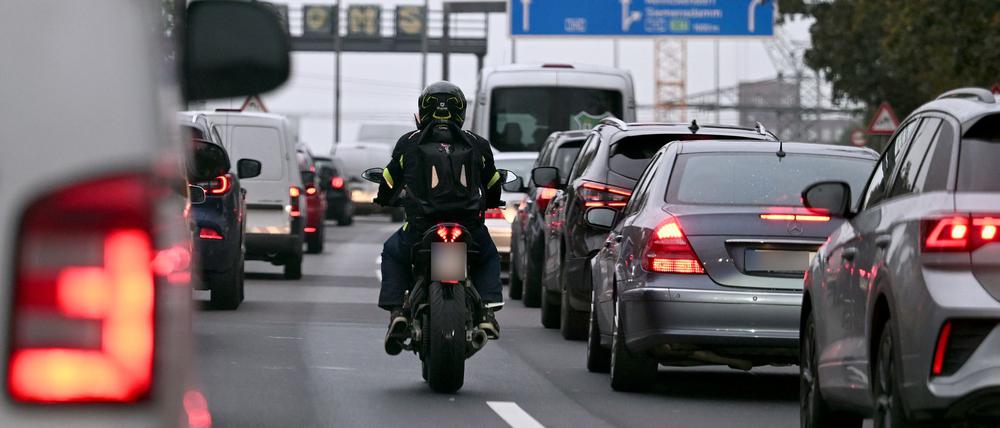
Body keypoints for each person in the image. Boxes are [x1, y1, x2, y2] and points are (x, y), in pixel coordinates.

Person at [374, 81, 504, 356]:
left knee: (392, 253)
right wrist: (492, 202)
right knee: (489, 255)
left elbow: (388, 179)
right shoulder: (477, 143)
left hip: (420, 227)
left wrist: (383, 199)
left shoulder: (409, 142)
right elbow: (493, 182)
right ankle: (488, 311)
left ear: (423, 110)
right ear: (461, 111)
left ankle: (398, 310)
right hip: (468, 227)